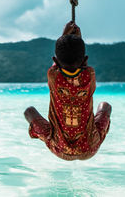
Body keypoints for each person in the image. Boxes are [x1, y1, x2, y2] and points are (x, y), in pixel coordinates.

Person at [24, 21, 112, 161]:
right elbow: (81, 65)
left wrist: (65, 34)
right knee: (105, 106)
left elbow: (60, 63)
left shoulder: (53, 75)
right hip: (89, 148)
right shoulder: (89, 75)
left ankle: (46, 136)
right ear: (85, 60)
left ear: (55, 59)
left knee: (29, 111)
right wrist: (77, 38)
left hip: (59, 147)